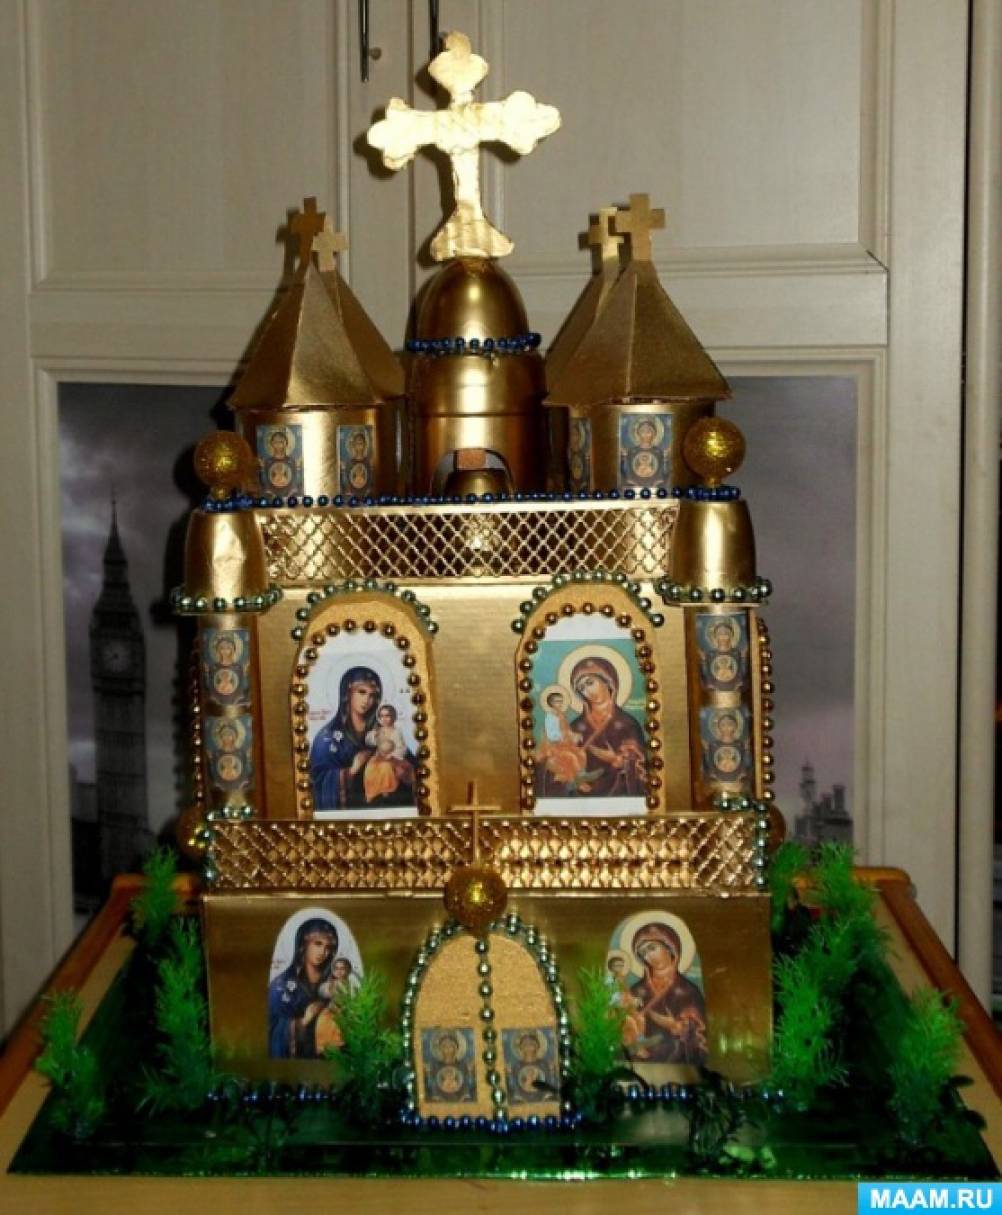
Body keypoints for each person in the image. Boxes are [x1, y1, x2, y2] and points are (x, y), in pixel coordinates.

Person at [538, 656, 645, 798]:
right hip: (578, 799)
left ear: (608, 680)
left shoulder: (627, 723)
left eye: (590, 682)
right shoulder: (577, 726)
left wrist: (618, 760)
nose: (587, 691)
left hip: (618, 796)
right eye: (581, 688)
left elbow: (640, 766)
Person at [310, 668, 414, 810]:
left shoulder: (385, 731)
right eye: (362, 692)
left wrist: (405, 771)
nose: (367, 700)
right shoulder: (327, 737)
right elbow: (317, 780)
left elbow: (412, 765)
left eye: (372, 695)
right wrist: (351, 771)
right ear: (347, 693)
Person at [621, 922, 707, 1065]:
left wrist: (680, 1026)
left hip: (678, 1064)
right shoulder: (637, 990)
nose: (649, 956)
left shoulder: (688, 990)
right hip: (640, 1062)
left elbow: (698, 1032)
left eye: (652, 948)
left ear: (669, 946)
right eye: (643, 953)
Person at [268, 917, 338, 1058]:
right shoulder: (281, 985)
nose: (323, 952)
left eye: (328, 947)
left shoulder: (335, 984)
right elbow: (270, 1031)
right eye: (318, 943)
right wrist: (303, 1022)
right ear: (303, 944)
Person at [363, 704, 413, 802]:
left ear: (393, 717)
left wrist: (392, 755)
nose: (384, 719)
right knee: (370, 768)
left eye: (387, 716)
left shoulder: (396, 731)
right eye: (381, 716)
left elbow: (402, 748)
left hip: (393, 758)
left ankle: (386, 790)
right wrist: (373, 736)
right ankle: (373, 792)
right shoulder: (378, 730)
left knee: (386, 767)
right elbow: (369, 741)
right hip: (378, 757)